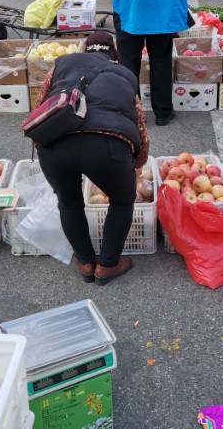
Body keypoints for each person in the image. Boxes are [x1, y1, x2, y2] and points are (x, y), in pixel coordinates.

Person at [34, 32, 148, 285]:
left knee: (68, 201)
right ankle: (108, 265)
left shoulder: (62, 63)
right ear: (114, 54)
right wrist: (135, 165)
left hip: (54, 144)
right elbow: (140, 125)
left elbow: (41, 104)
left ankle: (85, 262)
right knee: (122, 200)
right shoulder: (125, 75)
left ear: (83, 49)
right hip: (107, 145)